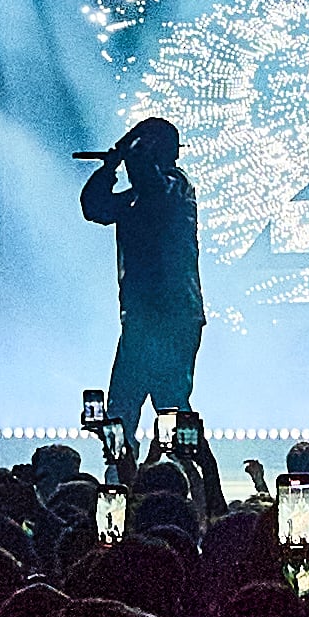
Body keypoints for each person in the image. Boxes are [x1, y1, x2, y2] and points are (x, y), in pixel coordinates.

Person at [80, 109, 210, 461]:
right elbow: (94, 207)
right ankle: (122, 477)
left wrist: (126, 150)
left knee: (172, 407)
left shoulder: (175, 187)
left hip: (173, 315)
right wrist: (108, 167)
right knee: (121, 406)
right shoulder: (137, 198)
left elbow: (148, 181)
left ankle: (186, 477)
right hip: (142, 317)